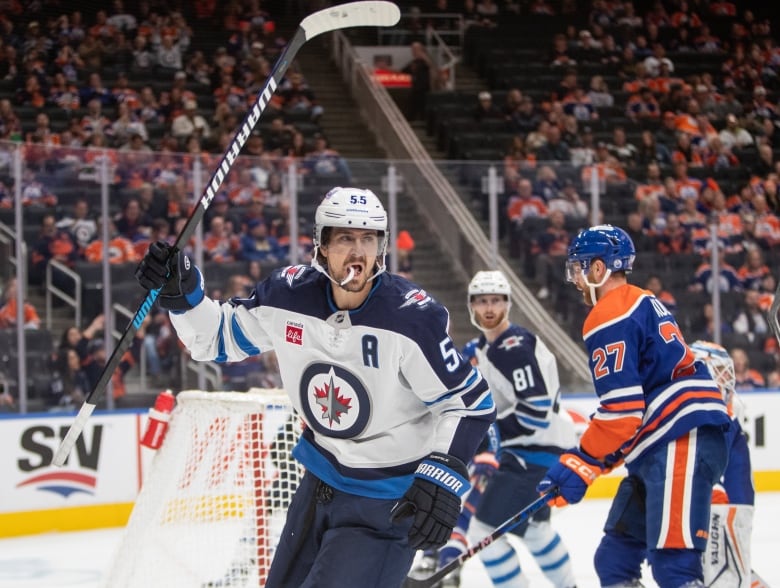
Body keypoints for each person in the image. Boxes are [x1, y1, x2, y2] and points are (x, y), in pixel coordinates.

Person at [134, 187, 496, 588]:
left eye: (368, 239)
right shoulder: (288, 295)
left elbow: (469, 403)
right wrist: (184, 293)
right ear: (321, 246)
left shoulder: (411, 319)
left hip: (386, 505)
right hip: (317, 488)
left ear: (382, 247)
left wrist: (442, 477)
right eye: (345, 238)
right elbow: (217, 338)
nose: (358, 252)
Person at [537, 224, 731, 588]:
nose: (576, 279)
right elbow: (636, 408)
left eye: (579, 268)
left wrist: (580, 459)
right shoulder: (639, 300)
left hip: (679, 441)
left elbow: (622, 411)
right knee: (615, 559)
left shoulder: (608, 313)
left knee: (674, 567)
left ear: (599, 269)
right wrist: (591, 462)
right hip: (663, 441)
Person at [460, 270, 577, 587]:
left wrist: (490, 432)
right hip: (539, 451)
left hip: (531, 456)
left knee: (484, 532)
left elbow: (536, 410)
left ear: (507, 304)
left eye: (495, 301)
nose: (489, 308)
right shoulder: (491, 348)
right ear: (471, 306)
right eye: (482, 301)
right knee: (535, 532)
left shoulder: (512, 346)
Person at [689, 340, 759, 587]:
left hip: (734, 510)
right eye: (719, 370)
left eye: (726, 371)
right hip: (716, 511)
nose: (727, 379)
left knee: (733, 569)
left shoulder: (727, 414)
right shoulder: (699, 414)